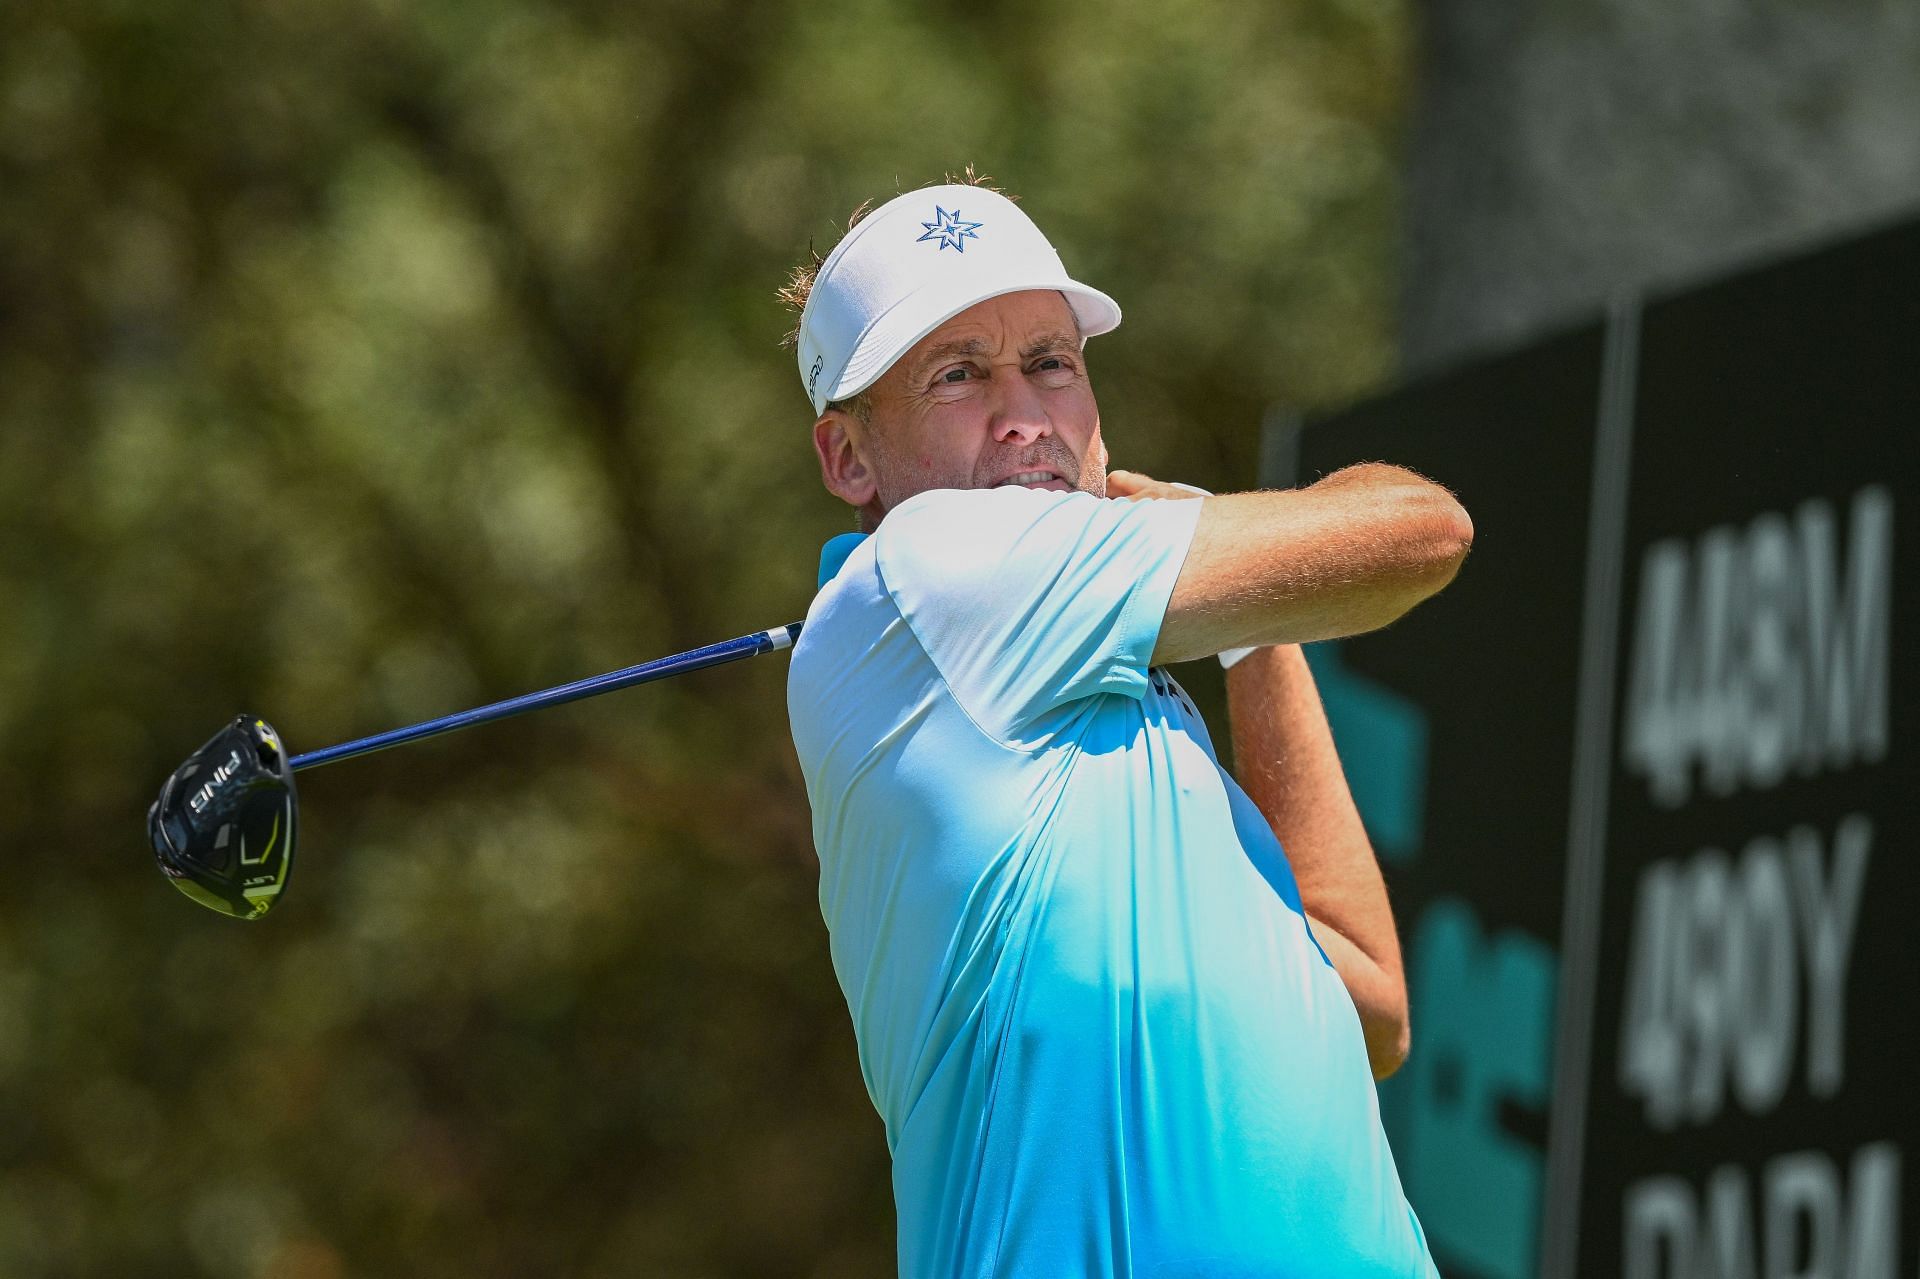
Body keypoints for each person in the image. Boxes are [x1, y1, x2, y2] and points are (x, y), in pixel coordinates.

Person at [781, 177, 1471, 1277]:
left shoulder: (1136, 728)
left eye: (1051, 362)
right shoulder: (929, 572)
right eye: (957, 376)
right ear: (849, 459)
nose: (1026, 416)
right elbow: (1424, 528)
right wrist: (1214, 532)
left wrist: (1252, 635)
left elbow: (1372, 1006)